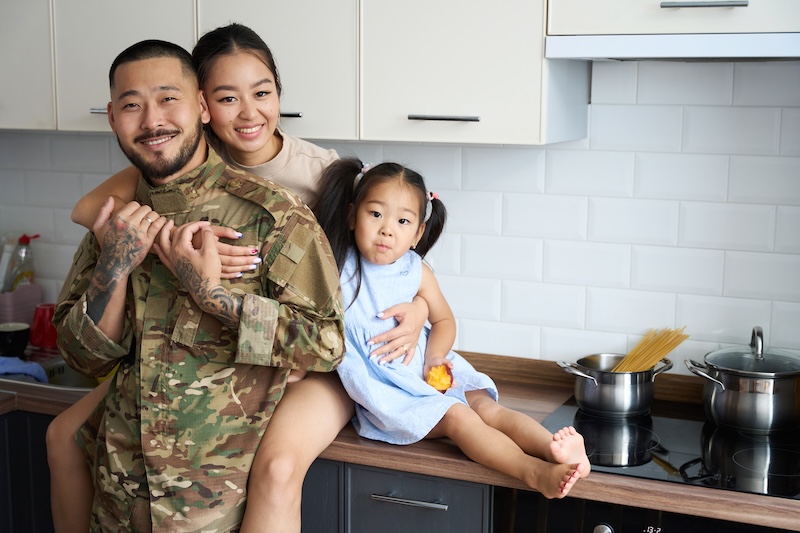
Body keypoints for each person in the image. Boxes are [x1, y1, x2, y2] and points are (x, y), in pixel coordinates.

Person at [47, 24, 428, 533]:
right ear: (209, 105)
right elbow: (83, 346)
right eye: (229, 97)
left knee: (278, 470)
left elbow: (378, 268)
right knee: (63, 435)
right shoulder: (133, 203)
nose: (248, 113)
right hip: (122, 495)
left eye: (168, 99)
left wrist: (423, 306)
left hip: (238, 457)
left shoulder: (309, 186)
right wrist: (131, 256)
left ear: (195, 108)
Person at [313, 158, 592, 499]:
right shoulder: (338, 267)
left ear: (417, 234)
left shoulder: (416, 271)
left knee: (489, 410)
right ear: (351, 216)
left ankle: (558, 452)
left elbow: (444, 321)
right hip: (391, 388)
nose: (387, 229)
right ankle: (535, 472)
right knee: (460, 418)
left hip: (430, 369)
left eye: (403, 221)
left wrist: (435, 358)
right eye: (375, 214)